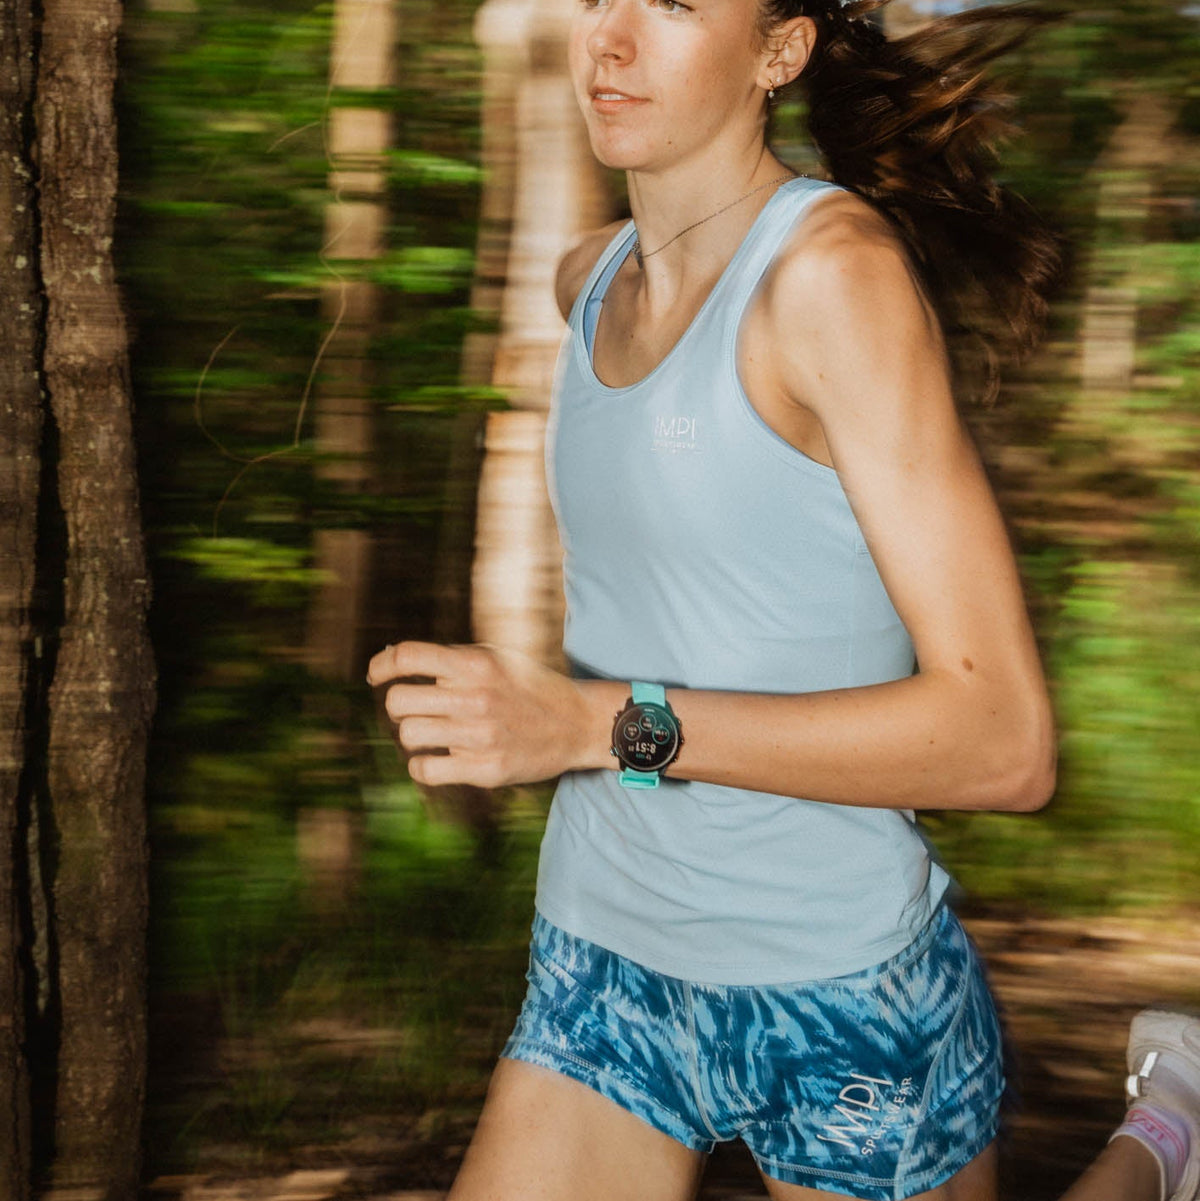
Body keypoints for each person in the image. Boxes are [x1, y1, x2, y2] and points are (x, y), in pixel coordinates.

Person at [367, 0, 1199, 1197]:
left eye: (674, 4)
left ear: (781, 52)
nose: (608, 38)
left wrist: (589, 725)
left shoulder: (833, 285)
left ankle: (1166, 1134)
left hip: (838, 992)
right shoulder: (586, 282)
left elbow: (1004, 742)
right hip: (604, 963)